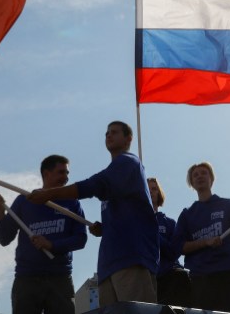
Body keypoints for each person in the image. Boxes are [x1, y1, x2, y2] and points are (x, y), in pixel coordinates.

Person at [28, 121, 159, 306]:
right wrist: (105, 228)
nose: (108, 135)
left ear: (129, 138)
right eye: (106, 133)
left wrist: (50, 193)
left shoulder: (129, 162)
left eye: (114, 132)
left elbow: (95, 184)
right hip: (110, 264)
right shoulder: (116, 172)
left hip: (131, 258)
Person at [0, 154, 88, 314]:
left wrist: (52, 245)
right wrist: (1, 211)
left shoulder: (71, 202)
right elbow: (5, 238)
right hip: (27, 278)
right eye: (61, 172)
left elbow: (81, 239)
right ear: (46, 174)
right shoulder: (25, 200)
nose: (65, 177)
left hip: (60, 278)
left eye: (67, 173)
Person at [173, 162, 230, 313]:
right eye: (195, 175)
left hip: (228, 275)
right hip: (200, 280)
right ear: (191, 183)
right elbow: (180, 247)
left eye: (204, 173)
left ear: (211, 178)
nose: (199, 176)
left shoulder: (227, 205)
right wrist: (205, 242)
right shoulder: (187, 214)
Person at [148, 177, 191, 306]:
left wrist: (153, 233)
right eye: (147, 189)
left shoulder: (169, 223)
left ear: (159, 193)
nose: (151, 192)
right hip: (146, 277)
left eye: (154, 189)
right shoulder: (135, 223)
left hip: (169, 275)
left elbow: (174, 251)